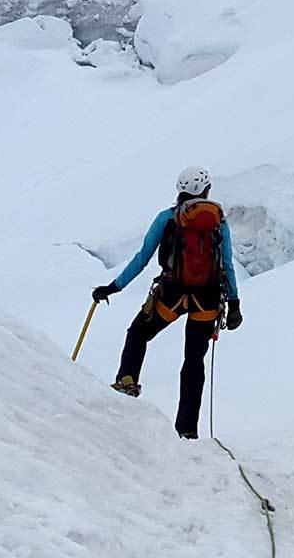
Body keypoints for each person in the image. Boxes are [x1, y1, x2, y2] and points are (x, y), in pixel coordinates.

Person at [92, 166, 243, 439]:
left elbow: (142, 258)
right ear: (207, 190)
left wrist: (114, 287)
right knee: (194, 360)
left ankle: (127, 381)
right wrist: (234, 304)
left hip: (171, 295)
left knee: (138, 332)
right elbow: (227, 264)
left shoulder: (167, 219)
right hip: (207, 300)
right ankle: (186, 430)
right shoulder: (218, 222)